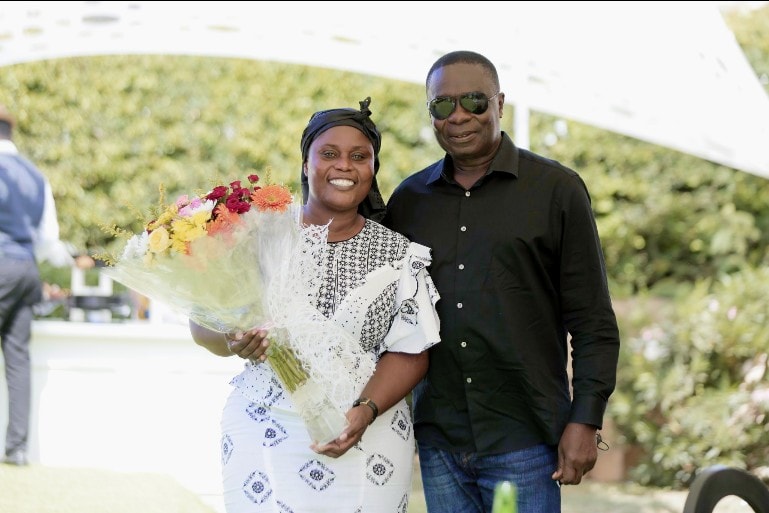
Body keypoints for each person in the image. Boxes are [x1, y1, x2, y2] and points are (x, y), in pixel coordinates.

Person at [381, 51, 621, 513]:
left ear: (500, 103)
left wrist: (585, 420)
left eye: (474, 100)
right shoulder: (409, 200)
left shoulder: (557, 190)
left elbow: (592, 321)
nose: (459, 116)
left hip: (524, 437)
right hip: (439, 439)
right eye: (442, 105)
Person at [189, 97, 441, 513]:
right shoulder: (258, 237)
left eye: (359, 156)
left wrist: (364, 411)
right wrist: (231, 340)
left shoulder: (400, 255)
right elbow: (202, 328)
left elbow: (411, 350)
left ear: (373, 170)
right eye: (329, 154)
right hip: (263, 427)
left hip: (369, 431)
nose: (344, 166)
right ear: (306, 164)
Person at [0, 104, 73, 466]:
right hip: (26, 268)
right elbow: (48, 239)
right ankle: (16, 447)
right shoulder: (35, 175)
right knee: (17, 358)